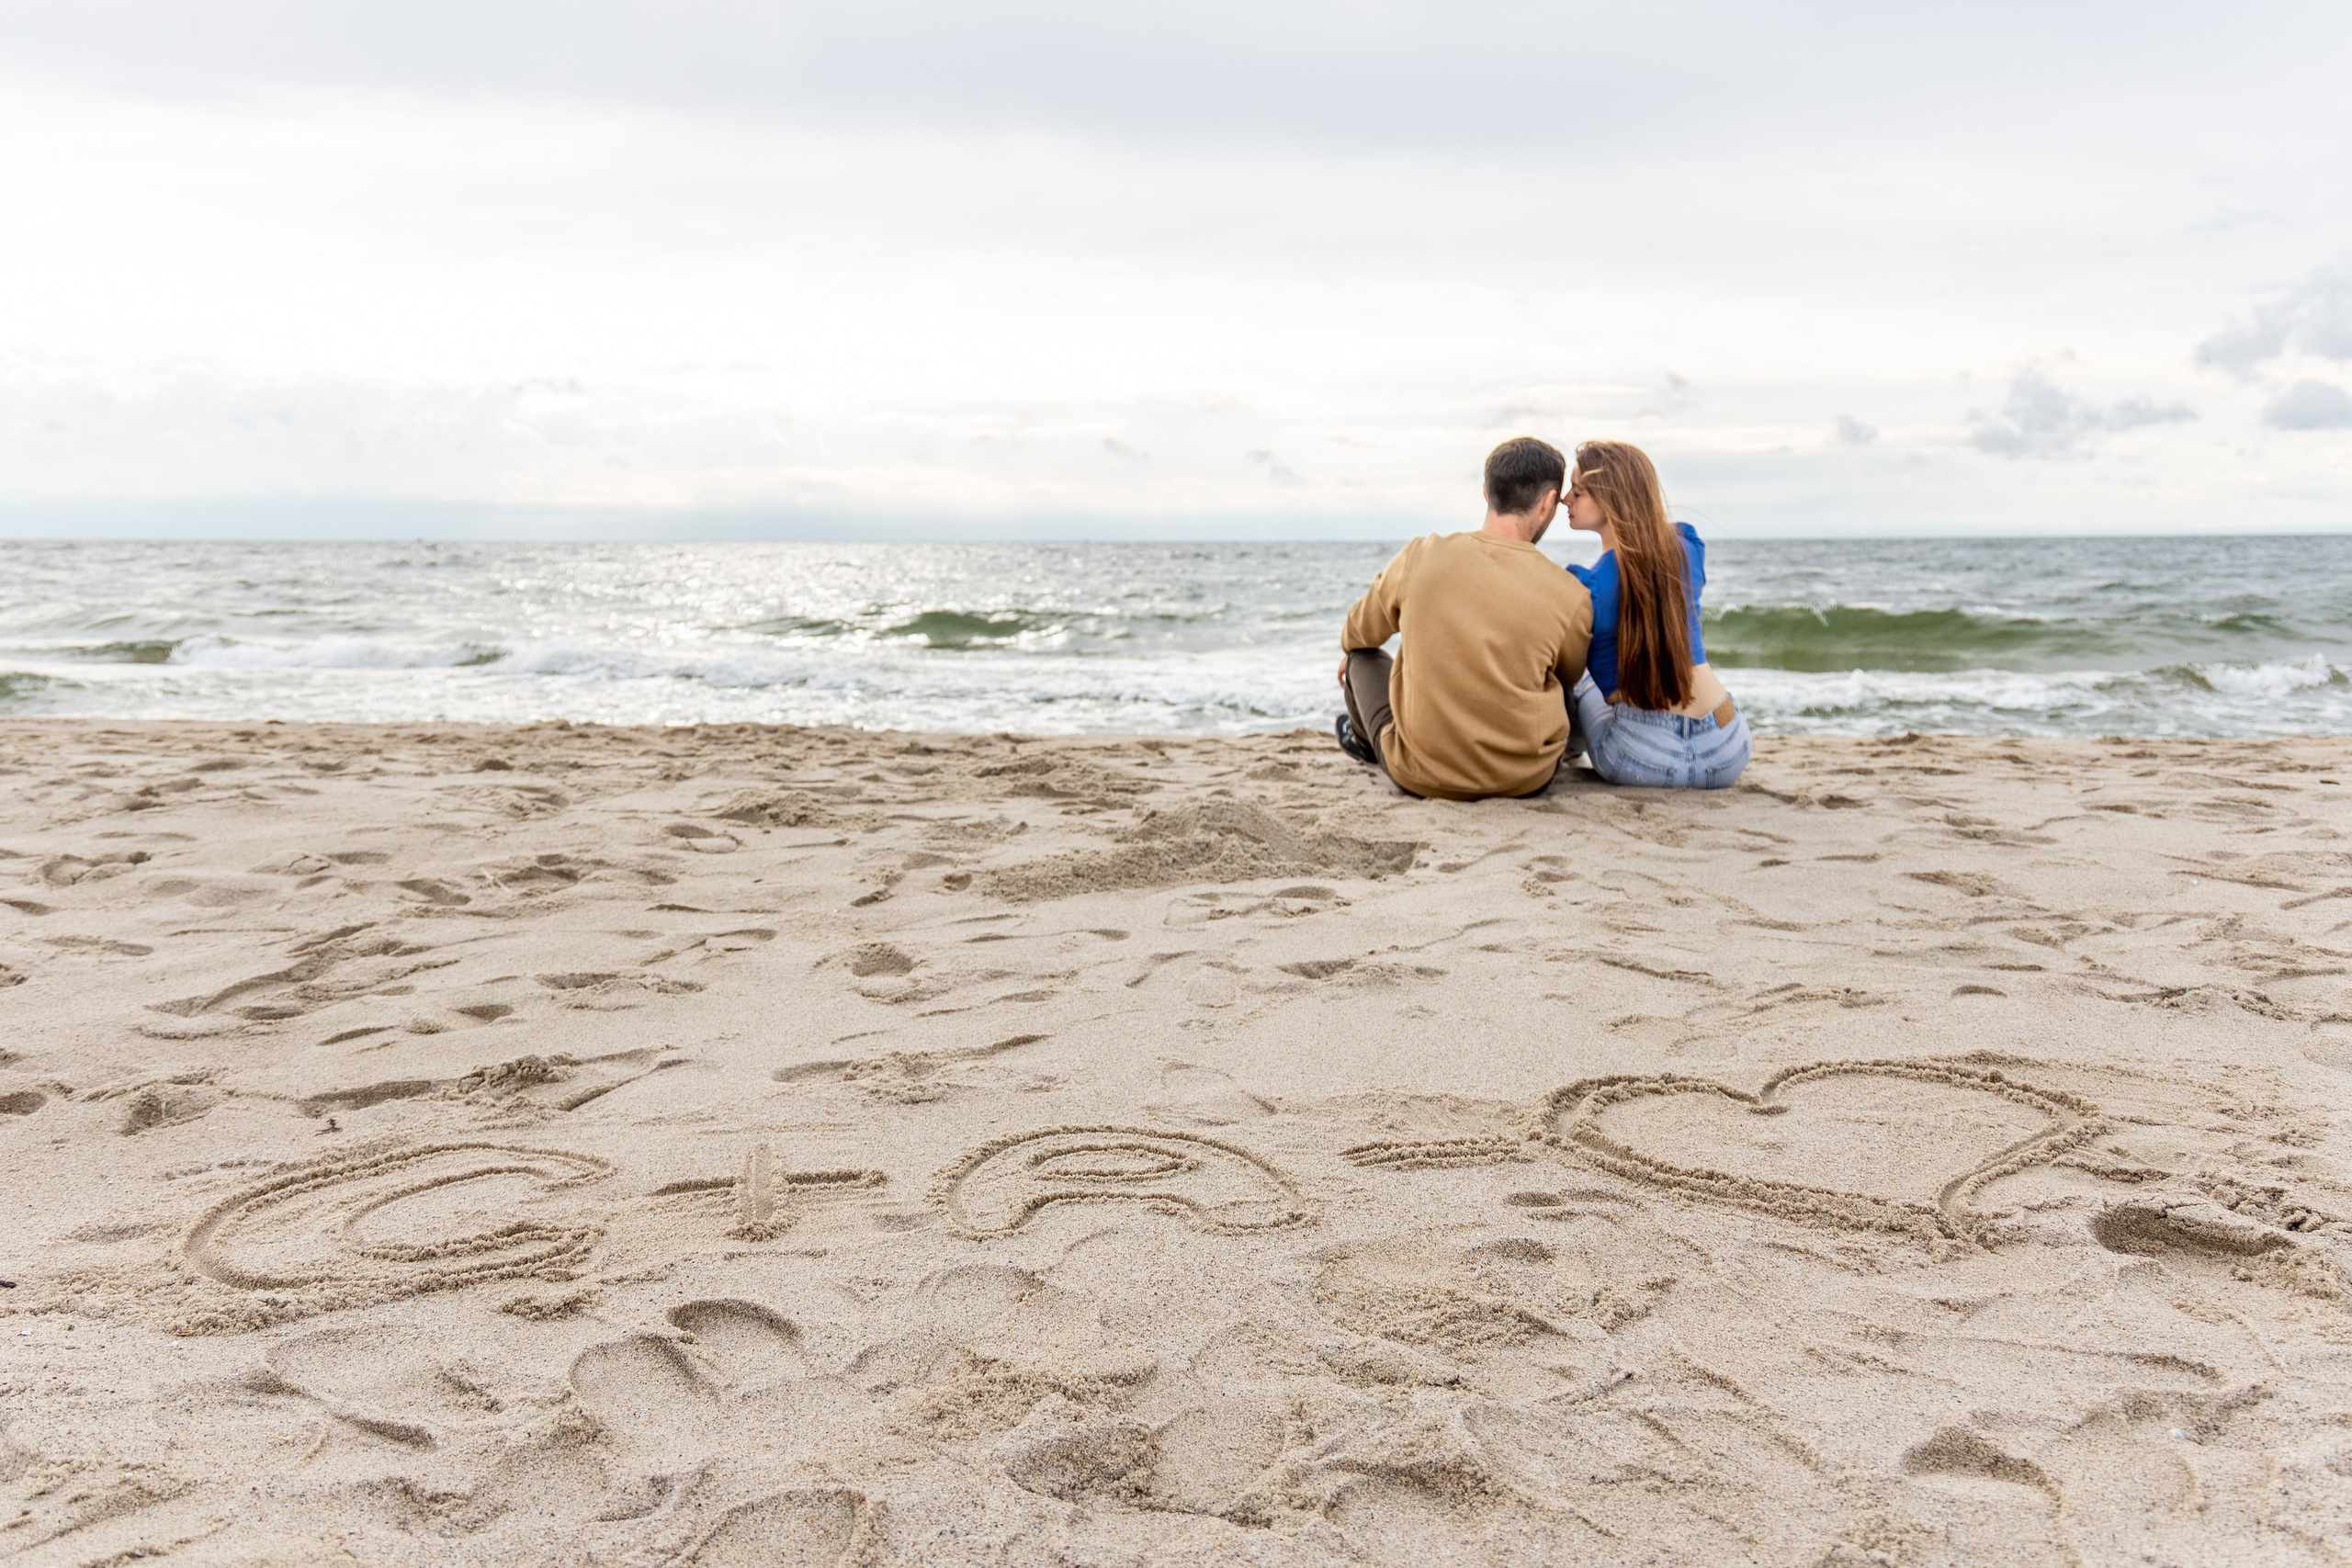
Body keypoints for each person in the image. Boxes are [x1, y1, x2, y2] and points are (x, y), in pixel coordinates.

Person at [1334, 437, 1593, 800]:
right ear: (1549, 503)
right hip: (1526, 778)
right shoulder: (1569, 593)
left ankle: (1366, 744)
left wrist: (1355, 649)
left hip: (1419, 775)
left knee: (1361, 655)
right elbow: (1570, 674)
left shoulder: (1422, 555)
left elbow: (1357, 631)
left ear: (1486, 493)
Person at [1559, 439, 1749, 789]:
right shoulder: (1687, 546)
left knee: (1582, 678)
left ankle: (1566, 754)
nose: (1564, 499)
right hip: (1727, 749)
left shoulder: (1589, 587)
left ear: (1611, 498)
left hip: (1641, 758)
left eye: (1578, 491)